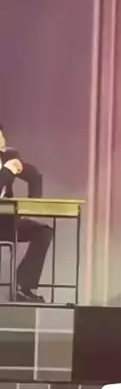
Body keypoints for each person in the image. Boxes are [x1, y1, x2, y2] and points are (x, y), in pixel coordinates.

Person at [0, 125, 53, 302]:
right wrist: (7, 171)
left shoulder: (8, 156)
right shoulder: (7, 166)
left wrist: (33, 203)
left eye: (1, 135)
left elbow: (34, 175)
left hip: (6, 221)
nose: (1, 140)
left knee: (43, 232)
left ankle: (23, 286)